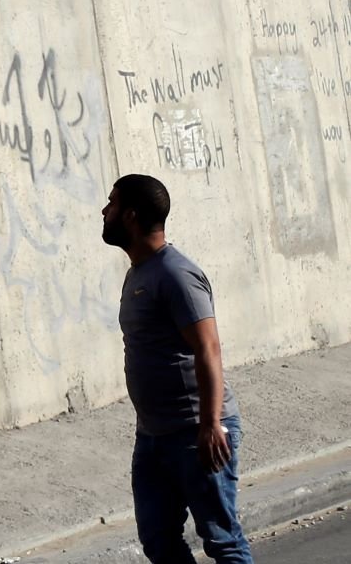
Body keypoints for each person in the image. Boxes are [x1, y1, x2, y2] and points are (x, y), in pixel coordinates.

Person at [104, 173, 253, 564]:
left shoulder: (176, 274)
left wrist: (209, 423)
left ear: (131, 216)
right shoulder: (139, 272)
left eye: (112, 204)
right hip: (153, 436)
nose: (104, 212)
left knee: (222, 541)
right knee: (158, 540)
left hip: (194, 432)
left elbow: (209, 348)